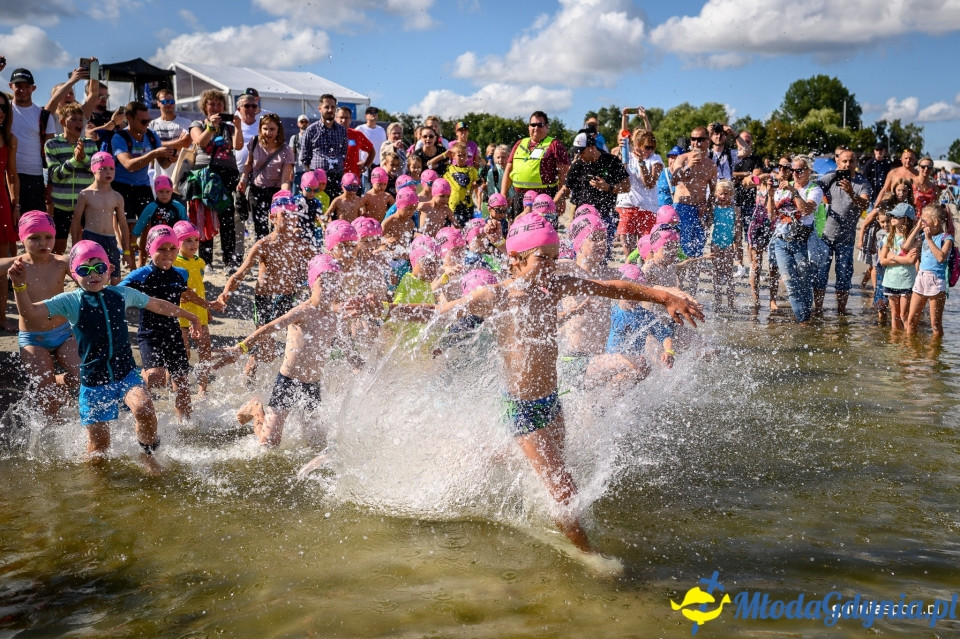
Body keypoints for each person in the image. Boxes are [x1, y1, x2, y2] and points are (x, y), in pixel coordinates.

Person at [391, 212, 703, 556]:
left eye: (555, 258)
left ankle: (481, 459)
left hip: (551, 402)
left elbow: (611, 288)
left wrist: (665, 298)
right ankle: (588, 555)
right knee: (564, 490)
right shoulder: (494, 297)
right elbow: (439, 311)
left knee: (556, 465)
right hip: (521, 409)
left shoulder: (555, 287)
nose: (552, 266)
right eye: (543, 258)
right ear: (516, 259)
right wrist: (384, 309)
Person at [9, 240, 199, 462]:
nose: (93, 274)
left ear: (109, 269)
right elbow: (30, 313)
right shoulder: (71, 301)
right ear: (73, 273)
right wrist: (19, 287)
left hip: (126, 375)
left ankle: (148, 455)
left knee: (145, 410)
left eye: (99, 267)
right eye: (84, 269)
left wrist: (191, 316)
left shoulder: (121, 294)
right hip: (93, 383)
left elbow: (157, 304)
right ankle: (96, 489)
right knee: (99, 451)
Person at [217, 254, 345, 447]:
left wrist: (362, 366)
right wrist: (240, 348)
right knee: (268, 445)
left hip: (312, 385)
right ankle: (256, 408)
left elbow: (346, 347)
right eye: (323, 281)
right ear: (312, 283)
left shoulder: (335, 316)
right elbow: (269, 328)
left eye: (335, 283)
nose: (329, 288)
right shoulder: (303, 311)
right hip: (287, 382)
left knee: (317, 445)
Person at [120, 225, 222, 422]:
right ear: (150, 250)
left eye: (172, 248)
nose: (168, 254)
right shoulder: (141, 274)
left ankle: (185, 423)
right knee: (156, 377)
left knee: (182, 382)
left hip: (173, 332)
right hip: (150, 334)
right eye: (161, 249)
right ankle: (135, 386)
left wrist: (207, 305)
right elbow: (116, 294)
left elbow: (186, 293)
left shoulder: (180, 273)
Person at [219, 192, 317, 376]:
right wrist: (225, 293)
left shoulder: (301, 245)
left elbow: (320, 263)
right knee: (265, 347)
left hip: (287, 296)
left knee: (274, 345)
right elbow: (240, 274)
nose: (290, 220)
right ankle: (249, 377)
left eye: (293, 216)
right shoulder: (264, 245)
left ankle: (270, 375)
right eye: (285, 216)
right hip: (264, 297)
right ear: (273, 218)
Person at [0, 212, 79, 415]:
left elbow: (89, 273)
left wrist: (100, 269)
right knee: (47, 397)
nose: (43, 243)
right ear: (21, 239)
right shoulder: (16, 265)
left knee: (83, 375)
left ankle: (59, 382)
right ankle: (54, 429)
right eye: (34, 238)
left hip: (63, 333)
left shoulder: (62, 262)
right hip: (33, 339)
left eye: (48, 237)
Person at [189, 89, 244, 268]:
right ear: (205, 107)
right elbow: (200, 142)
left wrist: (238, 127)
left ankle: (229, 260)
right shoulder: (197, 123)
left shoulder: (228, 127)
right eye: (211, 104)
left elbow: (238, 145)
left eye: (219, 104)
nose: (215, 107)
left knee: (227, 219)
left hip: (227, 175)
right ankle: (206, 261)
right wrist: (211, 127)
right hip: (206, 175)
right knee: (205, 218)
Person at [813, 149, 871, 316]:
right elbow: (813, 190)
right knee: (820, 274)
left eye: (851, 161)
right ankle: (818, 310)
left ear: (856, 163)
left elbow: (864, 205)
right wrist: (822, 200)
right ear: (838, 162)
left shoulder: (862, 183)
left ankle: (841, 312)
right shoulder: (830, 178)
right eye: (844, 161)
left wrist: (851, 193)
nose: (847, 164)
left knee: (844, 276)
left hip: (846, 238)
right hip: (825, 236)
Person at [767, 156, 823, 324]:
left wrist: (794, 191)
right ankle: (803, 321)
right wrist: (770, 196)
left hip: (802, 242)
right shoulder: (782, 189)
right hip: (781, 241)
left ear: (809, 172)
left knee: (805, 282)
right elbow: (771, 216)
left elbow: (806, 210)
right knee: (790, 282)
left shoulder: (814, 189)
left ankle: (805, 317)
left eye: (800, 170)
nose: (796, 174)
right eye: (793, 170)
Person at [110, 101, 175, 239]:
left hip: (143, 185)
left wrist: (171, 158)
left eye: (148, 121)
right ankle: (130, 260)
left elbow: (163, 164)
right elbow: (129, 165)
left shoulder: (151, 136)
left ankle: (142, 261)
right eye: (143, 121)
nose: (147, 124)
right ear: (129, 118)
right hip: (121, 186)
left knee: (149, 227)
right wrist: (154, 153)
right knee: (128, 229)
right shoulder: (119, 137)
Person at [71, 152, 133, 284]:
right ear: (93, 170)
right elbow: (76, 222)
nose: (108, 172)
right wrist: (75, 247)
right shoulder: (85, 194)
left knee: (115, 278)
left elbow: (123, 224)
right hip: (91, 238)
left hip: (110, 240)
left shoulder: (117, 197)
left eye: (111, 168)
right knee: (93, 276)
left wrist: (126, 251)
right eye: (103, 168)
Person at [44, 103, 97, 254]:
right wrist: (75, 160)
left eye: (81, 120)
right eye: (74, 119)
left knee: (87, 246)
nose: (79, 123)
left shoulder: (90, 144)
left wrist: (84, 157)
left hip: (87, 204)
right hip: (61, 205)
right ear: (62, 123)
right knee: (59, 247)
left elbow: (97, 171)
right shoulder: (52, 144)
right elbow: (55, 175)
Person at [238, 113, 295, 241]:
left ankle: (274, 255)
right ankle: (263, 257)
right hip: (256, 189)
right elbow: (248, 164)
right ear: (260, 129)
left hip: (275, 192)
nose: (268, 132)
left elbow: (285, 179)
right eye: (265, 128)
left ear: (278, 130)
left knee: (277, 226)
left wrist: (285, 196)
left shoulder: (286, 150)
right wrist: (243, 179)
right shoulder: (254, 142)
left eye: (272, 129)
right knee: (260, 227)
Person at [172, 220, 214, 395]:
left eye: (196, 240)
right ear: (177, 243)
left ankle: (202, 387)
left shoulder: (200, 262)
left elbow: (200, 288)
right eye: (187, 240)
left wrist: (207, 310)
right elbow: (182, 292)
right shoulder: (175, 263)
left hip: (200, 313)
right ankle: (174, 384)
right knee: (183, 353)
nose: (193, 244)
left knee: (205, 351)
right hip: (181, 314)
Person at [501, 111, 570, 215]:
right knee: (519, 229)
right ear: (528, 127)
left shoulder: (555, 145)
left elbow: (564, 174)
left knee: (544, 230)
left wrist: (561, 199)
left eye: (540, 125)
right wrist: (503, 196)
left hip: (544, 197)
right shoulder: (519, 143)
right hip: (520, 197)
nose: (536, 128)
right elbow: (508, 171)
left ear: (547, 127)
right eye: (533, 125)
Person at [904, 204, 953, 337]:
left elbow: (941, 258)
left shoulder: (946, 238)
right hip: (921, 277)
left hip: (936, 280)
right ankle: (910, 352)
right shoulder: (922, 235)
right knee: (911, 319)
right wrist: (917, 228)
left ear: (936, 222)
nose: (922, 222)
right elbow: (906, 246)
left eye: (924, 220)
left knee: (935, 324)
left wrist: (930, 239)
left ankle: (934, 354)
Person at [671, 126, 717, 263]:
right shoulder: (682, 158)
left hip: (699, 211)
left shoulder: (711, 165)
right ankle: (679, 284)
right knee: (681, 252)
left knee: (697, 253)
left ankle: (693, 284)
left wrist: (709, 209)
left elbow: (713, 192)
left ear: (708, 141)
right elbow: (674, 179)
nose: (696, 143)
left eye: (700, 139)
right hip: (681, 208)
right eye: (693, 139)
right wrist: (688, 166)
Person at [616, 129, 663, 252]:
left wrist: (641, 163)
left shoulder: (655, 159)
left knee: (646, 253)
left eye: (652, 148)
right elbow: (615, 175)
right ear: (637, 145)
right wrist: (620, 152)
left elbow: (649, 184)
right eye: (647, 147)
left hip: (647, 209)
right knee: (629, 253)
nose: (650, 151)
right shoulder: (626, 156)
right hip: (626, 207)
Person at [131, 175, 188, 266]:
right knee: (158, 261)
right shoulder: (151, 207)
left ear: (172, 191)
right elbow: (141, 223)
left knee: (173, 261)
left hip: (174, 240)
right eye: (161, 191)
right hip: (157, 240)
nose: (164, 194)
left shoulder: (178, 206)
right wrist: (134, 237)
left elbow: (185, 224)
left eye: (167, 191)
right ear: (156, 192)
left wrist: (187, 237)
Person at [300, 94, 348, 199]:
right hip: (316, 180)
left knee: (335, 211)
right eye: (327, 107)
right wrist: (312, 173)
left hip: (337, 178)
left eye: (333, 107)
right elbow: (304, 156)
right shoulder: (311, 130)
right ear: (320, 108)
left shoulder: (342, 130)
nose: (330, 110)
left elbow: (343, 153)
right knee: (318, 211)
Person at [878, 203, 917, 331]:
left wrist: (893, 257)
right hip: (891, 280)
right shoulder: (889, 237)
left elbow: (911, 260)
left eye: (896, 216)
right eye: (892, 215)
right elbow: (883, 261)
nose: (892, 217)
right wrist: (903, 260)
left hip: (906, 281)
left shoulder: (913, 239)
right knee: (894, 315)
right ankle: (895, 345)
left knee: (904, 315)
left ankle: (908, 344)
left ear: (905, 219)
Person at [0, 89, 20, 300]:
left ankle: (2, 318)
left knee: (1, 266)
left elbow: (12, 176)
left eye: (4, 107)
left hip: (2, 202)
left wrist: (16, 205)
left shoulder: (10, 139)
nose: (0, 111)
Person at [148, 88, 192, 182]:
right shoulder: (152, 124)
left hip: (182, 177)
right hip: (161, 177)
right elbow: (150, 145)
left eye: (171, 101)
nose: (168, 104)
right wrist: (177, 142)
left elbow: (185, 142)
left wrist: (158, 144)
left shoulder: (185, 122)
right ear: (158, 103)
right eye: (164, 101)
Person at [710, 180, 738, 312]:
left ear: (731, 194)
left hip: (728, 244)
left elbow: (738, 229)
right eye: (720, 194)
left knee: (728, 273)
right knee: (716, 272)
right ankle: (718, 302)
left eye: (726, 194)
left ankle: (731, 303)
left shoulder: (735, 210)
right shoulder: (714, 209)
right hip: (715, 242)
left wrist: (736, 245)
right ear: (716, 194)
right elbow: (709, 223)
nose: (723, 197)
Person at [441, 142, 482, 227]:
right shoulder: (448, 169)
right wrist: (444, 155)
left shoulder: (471, 170)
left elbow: (479, 181)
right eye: (459, 155)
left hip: (468, 205)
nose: (462, 158)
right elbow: (430, 164)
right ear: (453, 156)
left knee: (467, 229)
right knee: (454, 228)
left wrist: (475, 185)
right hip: (452, 206)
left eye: (465, 155)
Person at [355, 106, 386, 191]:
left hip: (379, 165)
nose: (373, 115)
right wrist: (358, 160)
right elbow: (353, 146)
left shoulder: (381, 130)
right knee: (366, 190)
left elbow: (384, 148)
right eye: (371, 113)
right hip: (365, 165)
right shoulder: (360, 129)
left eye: (375, 113)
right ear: (365, 116)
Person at [289, 114, 311, 193]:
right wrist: (291, 170)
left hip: (309, 171)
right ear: (298, 124)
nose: (304, 123)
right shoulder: (294, 138)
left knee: (309, 193)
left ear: (308, 123)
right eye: (301, 121)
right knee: (295, 193)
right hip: (298, 171)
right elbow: (291, 155)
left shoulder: (312, 137)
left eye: (306, 121)